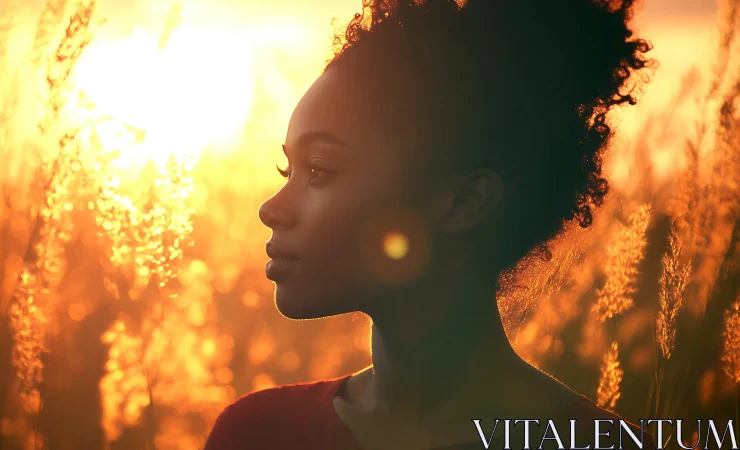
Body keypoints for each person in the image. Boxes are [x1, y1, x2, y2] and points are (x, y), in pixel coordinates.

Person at [205, 0, 658, 448]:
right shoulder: (256, 433)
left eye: (320, 170)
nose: (270, 209)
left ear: (464, 202)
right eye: (289, 171)